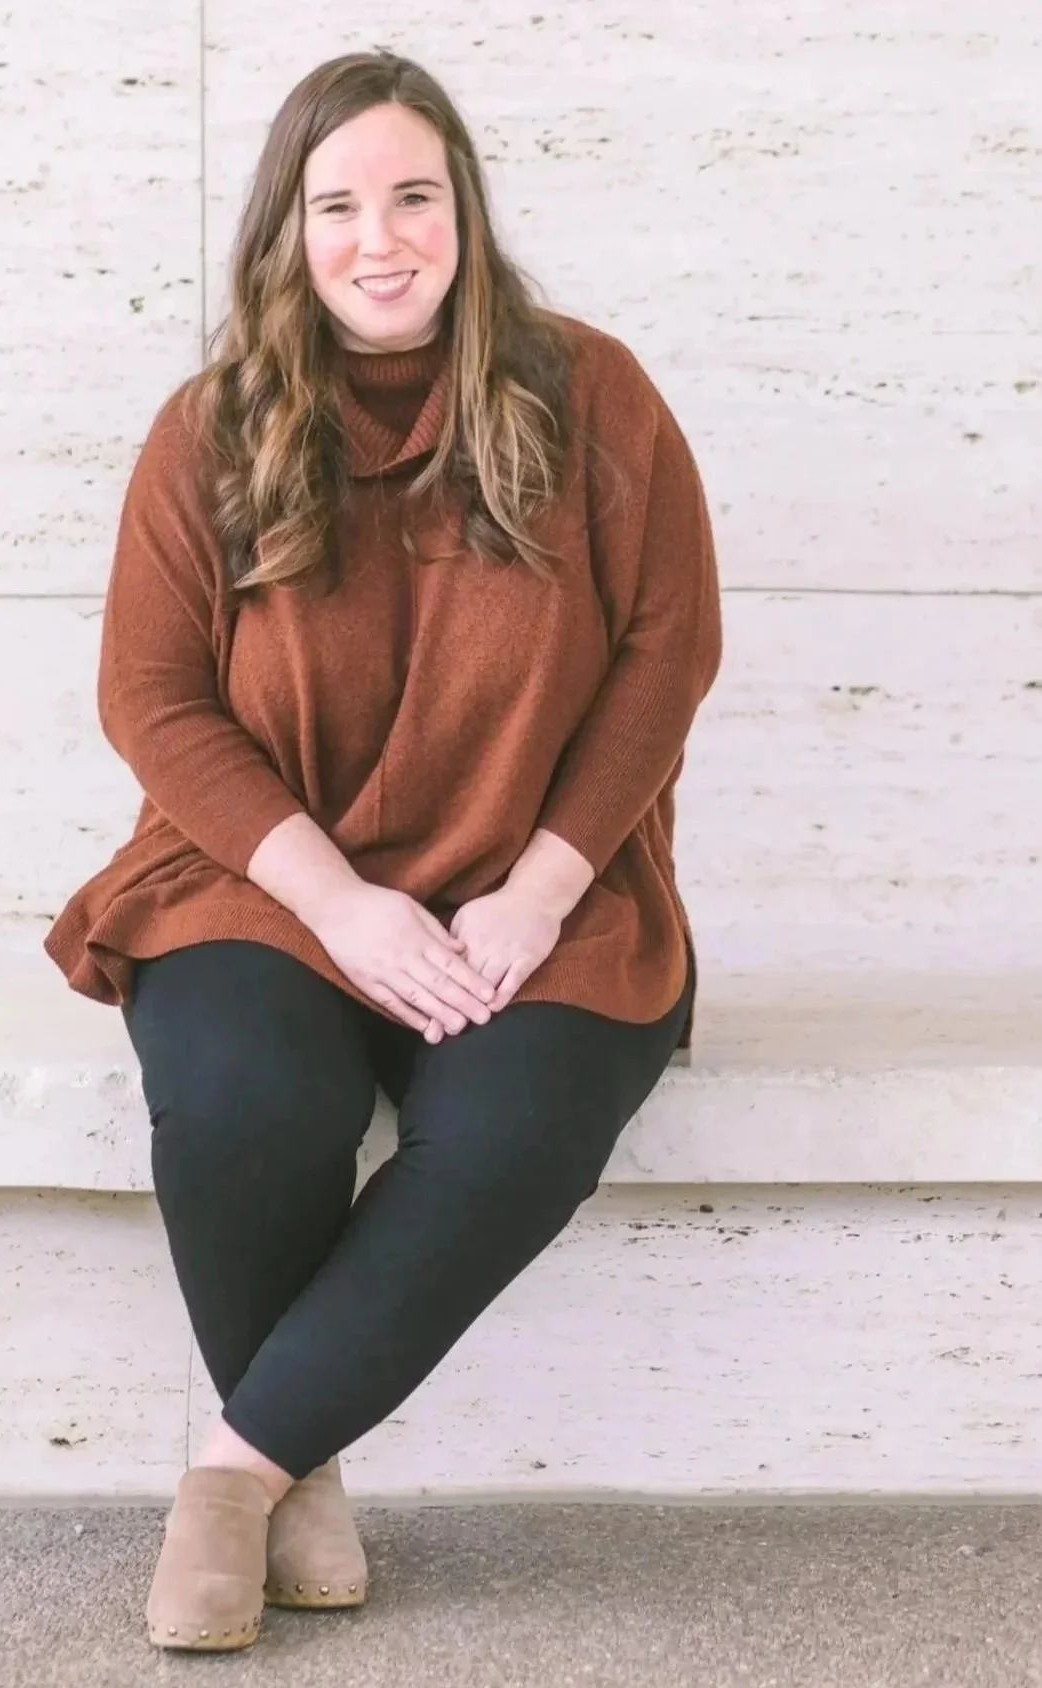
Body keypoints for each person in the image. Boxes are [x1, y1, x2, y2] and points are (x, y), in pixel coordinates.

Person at [44, 48, 721, 1651]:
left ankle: (234, 1471)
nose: (381, 235)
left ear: (464, 215)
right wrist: (338, 902)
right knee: (239, 1103)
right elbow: (150, 698)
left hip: (537, 889)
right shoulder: (207, 430)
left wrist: (541, 888)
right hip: (260, 879)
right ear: (287, 232)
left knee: (508, 1135)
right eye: (336, 203)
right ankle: (305, 1461)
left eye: (414, 194)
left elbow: (664, 649)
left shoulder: (592, 393)